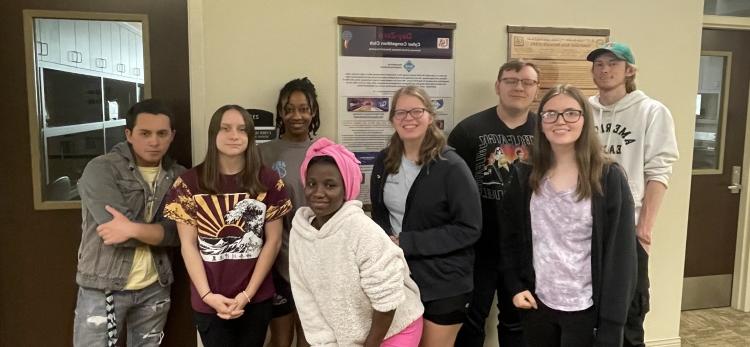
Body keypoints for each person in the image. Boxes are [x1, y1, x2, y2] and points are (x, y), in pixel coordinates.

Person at [501, 84, 637, 346]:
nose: (560, 121)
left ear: (585, 120)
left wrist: (612, 325)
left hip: (587, 310)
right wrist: (516, 286)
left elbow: (622, 258)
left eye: (571, 113)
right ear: (540, 123)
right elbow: (509, 237)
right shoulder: (524, 174)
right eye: (550, 114)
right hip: (537, 305)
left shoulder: (608, 177)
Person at [164, 105, 291, 347]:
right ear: (213, 135)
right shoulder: (188, 184)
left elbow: (273, 242)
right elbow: (188, 245)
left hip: (256, 298)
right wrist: (208, 296)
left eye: (242, 130)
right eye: (226, 129)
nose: (234, 135)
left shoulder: (269, 181)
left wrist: (247, 295)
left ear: (250, 137)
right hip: (208, 300)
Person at [371, 86, 482, 346]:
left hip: (444, 283)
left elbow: (469, 228)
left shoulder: (451, 166)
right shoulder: (385, 161)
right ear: (392, 119)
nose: (408, 118)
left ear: (430, 116)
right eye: (401, 112)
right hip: (399, 278)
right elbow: (379, 214)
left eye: (416, 111)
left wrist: (406, 242)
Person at [289, 137, 424, 346]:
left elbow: (387, 302)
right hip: (348, 334)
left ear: (346, 189)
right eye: (311, 184)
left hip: (394, 327)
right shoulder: (301, 233)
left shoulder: (363, 231)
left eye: (330, 185)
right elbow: (305, 297)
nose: (318, 193)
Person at [586, 42, 679, 347]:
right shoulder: (583, 110)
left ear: (629, 71)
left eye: (613, 63)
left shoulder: (652, 111)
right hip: (585, 223)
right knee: (588, 308)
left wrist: (645, 228)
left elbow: (659, 171)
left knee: (628, 310)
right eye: (599, 64)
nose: (605, 69)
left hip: (629, 225)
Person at [74, 99, 185, 347]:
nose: (154, 142)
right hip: (103, 286)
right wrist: (158, 232)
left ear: (172, 136)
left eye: (161, 134)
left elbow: (179, 235)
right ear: (129, 134)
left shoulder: (179, 176)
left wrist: (132, 228)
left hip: (155, 285)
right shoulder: (101, 169)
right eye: (144, 133)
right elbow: (112, 230)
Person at [449, 60, 539, 347]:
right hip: (478, 244)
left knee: (518, 321)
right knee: (471, 320)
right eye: (511, 80)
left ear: (536, 89)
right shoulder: (468, 130)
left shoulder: (548, 130)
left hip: (527, 245)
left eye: (527, 81)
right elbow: (450, 188)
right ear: (498, 85)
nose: (519, 87)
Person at [260, 77, 321, 347]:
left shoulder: (325, 151)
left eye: (304, 108)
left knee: (310, 338)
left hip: (316, 261)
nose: (297, 116)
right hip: (274, 260)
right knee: (280, 339)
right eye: (289, 108)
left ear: (313, 112)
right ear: (280, 113)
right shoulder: (262, 153)